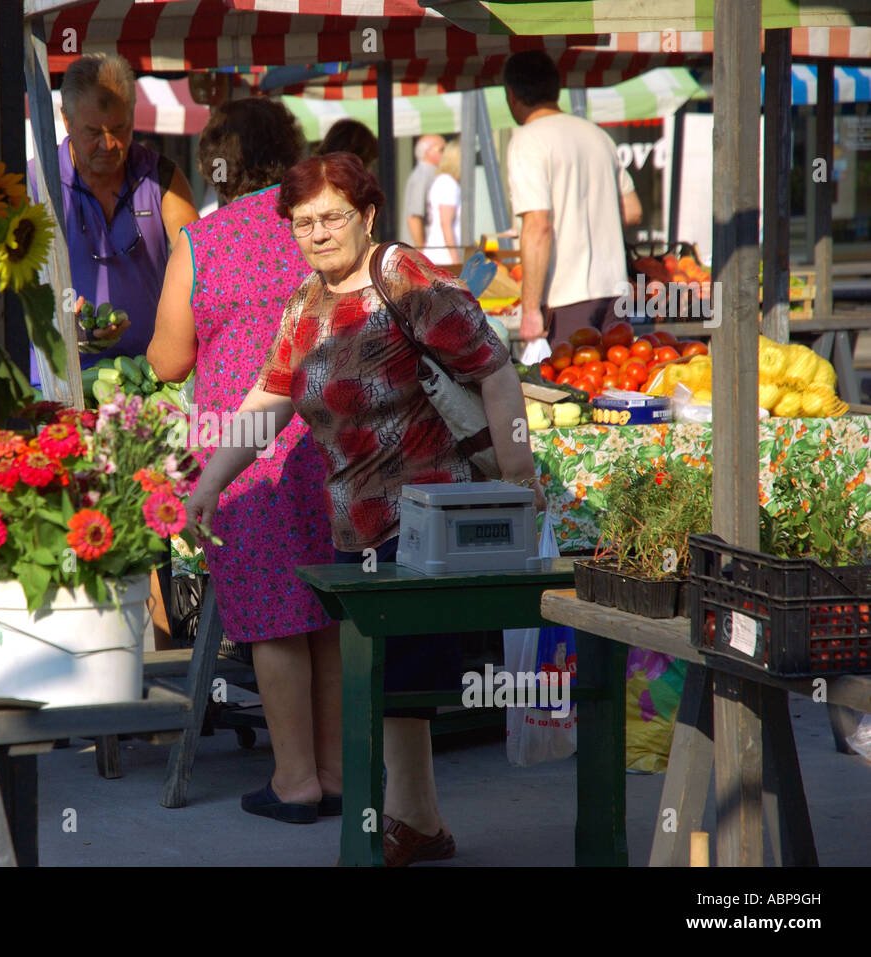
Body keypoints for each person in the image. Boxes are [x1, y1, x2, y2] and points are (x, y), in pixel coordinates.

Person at [184, 152, 544, 865]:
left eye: (332, 217)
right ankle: (421, 823)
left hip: (427, 523)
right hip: (359, 526)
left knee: (398, 680)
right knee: (390, 685)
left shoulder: (401, 275)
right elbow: (269, 401)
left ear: (368, 214)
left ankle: (404, 826)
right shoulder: (305, 304)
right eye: (303, 221)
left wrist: (518, 476)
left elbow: (494, 368)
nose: (316, 233)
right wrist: (210, 481)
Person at [147, 99, 341, 823]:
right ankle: (338, 771)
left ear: (216, 163)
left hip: (244, 452)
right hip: (330, 442)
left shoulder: (202, 240)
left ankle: (294, 782)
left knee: (272, 616)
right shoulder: (320, 228)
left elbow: (168, 361)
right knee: (330, 609)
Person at [44, 53, 200, 365]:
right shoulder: (38, 184)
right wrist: (61, 323)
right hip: (58, 379)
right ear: (66, 120)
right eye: (93, 132)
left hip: (148, 377)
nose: (109, 143)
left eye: (119, 128)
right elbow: (12, 286)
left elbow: (200, 268)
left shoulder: (161, 177)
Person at [502, 51, 642, 347]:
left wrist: (529, 310)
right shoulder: (597, 134)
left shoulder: (528, 140)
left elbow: (538, 225)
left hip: (568, 296)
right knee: (614, 387)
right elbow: (632, 210)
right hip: (615, 291)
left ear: (512, 95)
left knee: (569, 390)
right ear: (556, 89)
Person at [425, 139, 462, 267]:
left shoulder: (442, 181)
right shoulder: (448, 183)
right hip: (444, 258)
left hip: (438, 255)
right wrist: (455, 259)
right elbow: (446, 223)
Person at [403, 134, 445, 247]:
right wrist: (422, 251)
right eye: (442, 149)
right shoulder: (423, 176)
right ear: (427, 152)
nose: (446, 154)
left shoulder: (430, 174)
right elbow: (414, 217)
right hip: (421, 255)